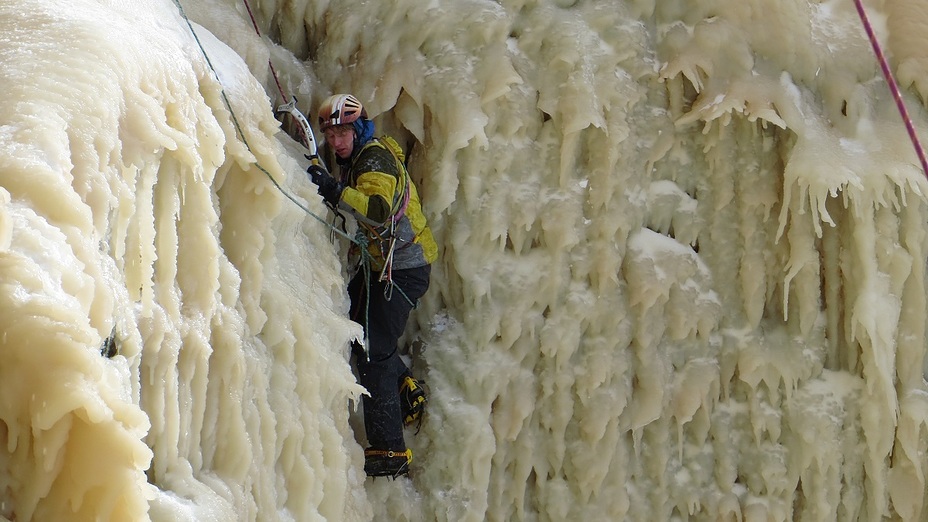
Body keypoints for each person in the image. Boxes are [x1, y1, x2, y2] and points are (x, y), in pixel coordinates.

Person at [306, 94, 437, 478]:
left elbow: (378, 212)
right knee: (355, 320)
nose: (337, 142)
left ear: (358, 128)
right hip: (387, 265)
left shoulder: (374, 159)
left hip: (403, 268)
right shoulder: (364, 155)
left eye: (344, 131)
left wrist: (334, 190)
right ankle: (402, 387)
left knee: (373, 350)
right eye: (331, 135)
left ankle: (390, 450)